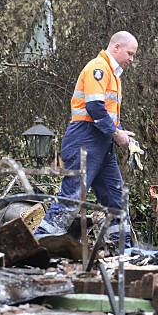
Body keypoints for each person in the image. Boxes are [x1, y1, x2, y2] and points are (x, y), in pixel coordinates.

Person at [34, 31, 138, 251]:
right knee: (72, 198)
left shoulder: (114, 75)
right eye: (130, 53)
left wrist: (119, 132)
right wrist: (116, 133)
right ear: (116, 47)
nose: (132, 59)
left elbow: (105, 114)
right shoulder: (97, 68)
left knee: (116, 198)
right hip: (85, 138)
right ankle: (36, 245)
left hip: (101, 142)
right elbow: (94, 107)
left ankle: (126, 253)